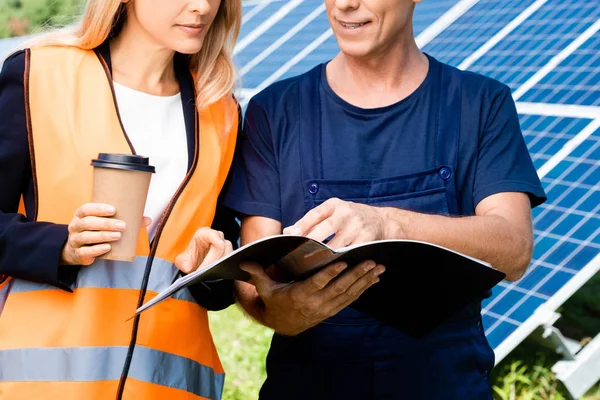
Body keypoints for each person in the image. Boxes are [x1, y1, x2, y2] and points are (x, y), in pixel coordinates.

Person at [223, 0, 547, 398]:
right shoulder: (274, 112)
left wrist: (390, 225)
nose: (345, 4)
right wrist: (281, 313)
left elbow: (514, 248)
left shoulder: (480, 104)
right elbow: (255, 275)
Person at [0, 0, 244, 398]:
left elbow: (219, 261)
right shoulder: (39, 75)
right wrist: (60, 246)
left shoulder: (222, 112)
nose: (201, 7)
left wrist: (213, 268)